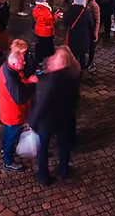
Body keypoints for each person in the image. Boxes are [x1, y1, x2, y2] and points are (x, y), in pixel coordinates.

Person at [28, 46, 82, 185]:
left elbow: (41, 105)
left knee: (43, 149)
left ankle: (44, 176)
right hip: (64, 118)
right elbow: (75, 98)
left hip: (47, 122)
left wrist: (32, 122)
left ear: (61, 62)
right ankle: (63, 170)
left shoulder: (46, 81)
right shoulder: (72, 76)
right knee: (64, 146)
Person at [0, 48, 38, 171]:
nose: (24, 63)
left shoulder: (6, 67)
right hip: (14, 114)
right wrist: (31, 83)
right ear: (14, 63)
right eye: (22, 61)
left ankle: (5, 151)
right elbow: (20, 98)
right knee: (11, 136)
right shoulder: (12, 78)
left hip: (8, 111)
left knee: (8, 133)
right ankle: (8, 162)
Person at [65, 0, 93, 69]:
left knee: (73, 54)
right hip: (83, 37)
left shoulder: (69, 11)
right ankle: (82, 68)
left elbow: (65, 22)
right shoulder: (86, 12)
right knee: (82, 56)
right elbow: (91, 24)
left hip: (73, 36)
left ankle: (74, 69)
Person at [32, 0, 58, 66]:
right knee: (47, 47)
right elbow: (49, 21)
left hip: (38, 30)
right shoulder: (45, 11)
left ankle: (39, 59)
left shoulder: (36, 8)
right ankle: (48, 62)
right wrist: (56, 16)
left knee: (39, 46)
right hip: (46, 32)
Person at [81, 0, 100, 70]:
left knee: (91, 48)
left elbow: (97, 20)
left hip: (91, 30)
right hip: (85, 29)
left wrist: (95, 32)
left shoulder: (94, 6)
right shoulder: (83, 4)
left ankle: (90, 62)